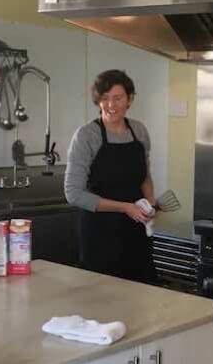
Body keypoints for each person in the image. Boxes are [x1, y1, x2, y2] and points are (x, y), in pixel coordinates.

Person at [64, 69, 158, 284]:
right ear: (98, 101)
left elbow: (144, 175)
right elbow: (73, 194)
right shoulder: (87, 135)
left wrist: (150, 203)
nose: (111, 105)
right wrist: (125, 207)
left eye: (118, 98)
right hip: (99, 232)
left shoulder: (139, 131)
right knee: (103, 298)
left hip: (135, 231)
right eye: (105, 99)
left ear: (130, 100)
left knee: (141, 294)